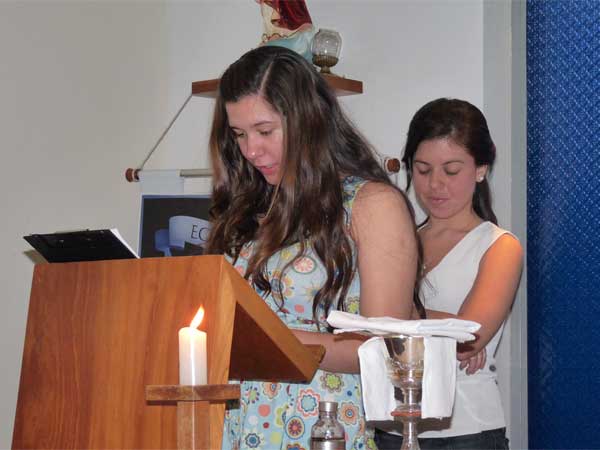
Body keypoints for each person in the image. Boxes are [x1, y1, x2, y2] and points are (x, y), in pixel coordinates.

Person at [204, 45, 424, 450]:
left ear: (309, 120)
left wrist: (266, 340)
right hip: (235, 427)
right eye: (239, 134)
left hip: (322, 429)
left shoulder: (371, 205)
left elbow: (383, 350)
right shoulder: (252, 207)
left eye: (265, 131)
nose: (251, 150)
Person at [375, 98, 523, 450]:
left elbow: (471, 335)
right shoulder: (399, 239)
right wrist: (444, 328)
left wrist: (393, 316)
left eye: (451, 171)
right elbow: (359, 316)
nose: (435, 184)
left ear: (481, 168)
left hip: (467, 432)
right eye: (423, 170)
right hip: (390, 427)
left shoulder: (499, 246)